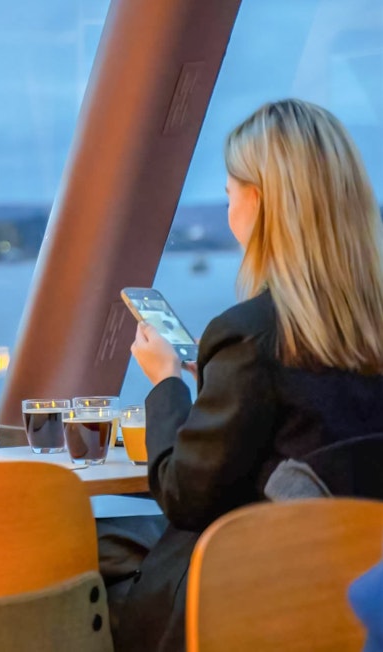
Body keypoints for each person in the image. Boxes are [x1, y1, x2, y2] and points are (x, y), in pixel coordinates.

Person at [113, 99, 383, 651]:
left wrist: (167, 383)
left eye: (232, 192)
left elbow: (186, 497)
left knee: (85, 552)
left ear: (256, 201)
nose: (229, 205)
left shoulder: (251, 335)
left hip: (250, 595)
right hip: (353, 591)